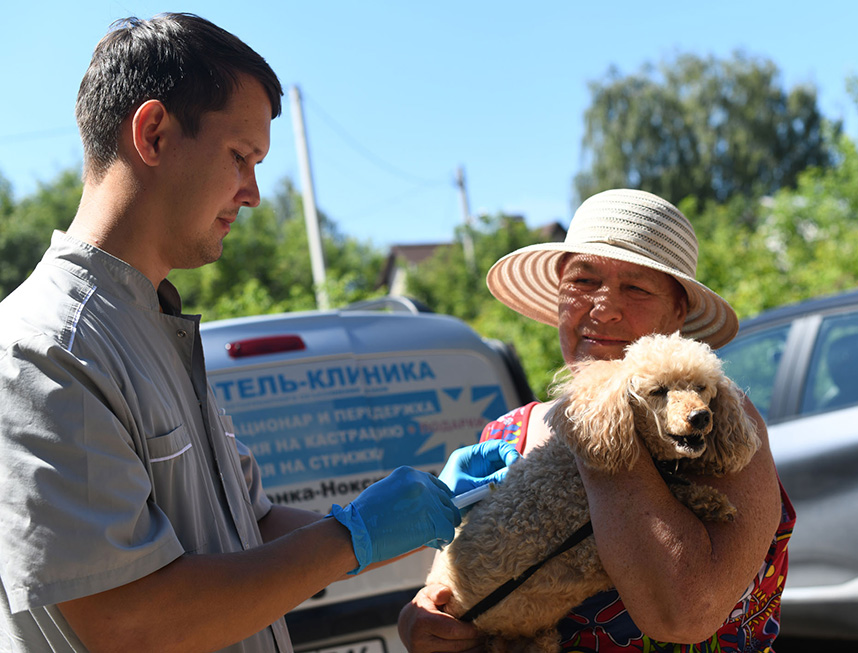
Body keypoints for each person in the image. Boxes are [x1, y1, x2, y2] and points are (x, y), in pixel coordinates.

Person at [0, 14, 516, 653]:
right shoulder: (45, 350)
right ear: (153, 133)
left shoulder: (153, 330)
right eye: (241, 157)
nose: (253, 194)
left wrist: (432, 514)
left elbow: (257, 527)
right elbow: (128, 621)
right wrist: (352, 537)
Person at [398, 189, 797, 652]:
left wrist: (599, 431)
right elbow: (462, 579)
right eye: (583, 281)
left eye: (636, 288)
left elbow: (684, 615)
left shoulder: (715, 422)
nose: (603, 308)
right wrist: (425, 622)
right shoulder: (506, 432)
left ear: (678, 314)